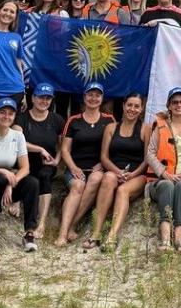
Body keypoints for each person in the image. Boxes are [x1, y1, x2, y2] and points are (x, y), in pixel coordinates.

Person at [86, 92, 150, 249]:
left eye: (136, 106)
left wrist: (132, 174)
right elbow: (104, 157)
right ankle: (96, 233)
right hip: (115, 171)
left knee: (122, 190)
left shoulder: (145, 129)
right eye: (129, 105)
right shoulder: (111, 127)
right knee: (108, 178)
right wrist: (118, 172)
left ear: (141, 109)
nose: (132, 109)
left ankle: (112, 237)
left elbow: (148, 158)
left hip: (138, 174)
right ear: (123, 105)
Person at [56, 83, 115, 245]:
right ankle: (62, 234)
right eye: (90, 95)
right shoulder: (73, 120)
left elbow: (113, 146)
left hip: (97, 168)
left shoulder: (109, 120)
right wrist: (73, 168)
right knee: (78, 186)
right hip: (75, 168)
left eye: (97, 95)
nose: (93, 98)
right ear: (84, 97)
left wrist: (102, 163)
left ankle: (72, 225)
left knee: (96, 179)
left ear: (102, 99)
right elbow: (65, 149)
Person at [146, 88, 181, 251]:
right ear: (169, 106)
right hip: (161, 180)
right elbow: (149, 154)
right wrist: (164, 174)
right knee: (168, 185)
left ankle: (179, 239)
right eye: (175, 102)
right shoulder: (160, 126)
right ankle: (165, 240)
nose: (179, 105)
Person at [0, 98, 40, 252]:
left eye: (10, 114)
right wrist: (2, 171)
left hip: (9, 180)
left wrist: (11, 184)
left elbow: (25, 168)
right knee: (0, 178)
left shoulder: (18, 136)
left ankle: (29, 233)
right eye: (2, 112)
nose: (6, 116)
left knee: (32, 183)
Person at [15, 83, 63, 240]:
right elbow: (17, 141)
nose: (44, 101)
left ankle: (41, 224)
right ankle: (17, 200)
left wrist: (57, 160)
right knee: (27, 175)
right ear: (33, 98)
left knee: (44, 176)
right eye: (41, 97)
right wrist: (40, 149)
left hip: (46, 165)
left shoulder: (57, 119)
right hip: (25, 163)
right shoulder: (22, 118)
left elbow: (63, 144)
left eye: (48, 98)